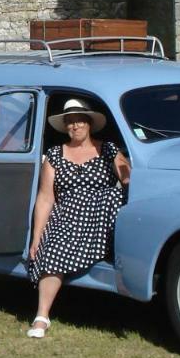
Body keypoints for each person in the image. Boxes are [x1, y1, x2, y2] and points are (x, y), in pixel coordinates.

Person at [25, 97, 130, 338]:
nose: (75, 126)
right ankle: (42, 317)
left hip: (101, 215)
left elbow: (128, 179)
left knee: (115, 197)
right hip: (67, 216)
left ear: (90, 123)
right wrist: (36, 236)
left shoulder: (108, 149)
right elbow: (45, 198)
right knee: (50, 252)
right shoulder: (54, 155)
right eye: (69, 122)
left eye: (79, 120)